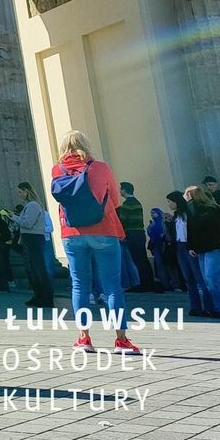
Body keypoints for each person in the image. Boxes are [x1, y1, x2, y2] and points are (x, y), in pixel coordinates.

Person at [50, 130, 139, 353]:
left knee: (80, 285)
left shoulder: (57, 170)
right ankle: (121, 340)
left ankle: (84, 338)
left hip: (72, 233)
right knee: (112, 286)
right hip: (104, 230)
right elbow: (115, 200)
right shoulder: (100, 168)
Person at [185, 184, 220, 318]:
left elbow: (193, 228)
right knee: (212, 279)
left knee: (211, 278)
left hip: (209, 247)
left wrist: (191, 246)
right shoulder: (210, 209)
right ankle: (217, 308)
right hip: (208, 247)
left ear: (190, 195)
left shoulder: (200, 208)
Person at [13, 183, 52, 307]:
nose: (19, 195)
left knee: (38, 269)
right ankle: (38, 295)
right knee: (34, 269)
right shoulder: (32, 205)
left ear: (26, 191)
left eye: (20, 192)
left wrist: (14, 217)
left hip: (33, 238)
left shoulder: (33, 205)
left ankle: (45, 297)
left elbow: (28, 223)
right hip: (31, 238)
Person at [117, 181, 154, 291]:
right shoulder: (137, 202)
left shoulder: (127, 204)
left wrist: (120, 233)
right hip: (140, 233)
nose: (119, 191)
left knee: (137, 259)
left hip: (132, 233)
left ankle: (143, 283)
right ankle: (149, 281)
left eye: (120, 189)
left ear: (124, 190)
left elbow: (123, 220)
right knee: (143, 258)